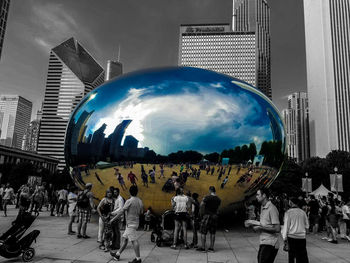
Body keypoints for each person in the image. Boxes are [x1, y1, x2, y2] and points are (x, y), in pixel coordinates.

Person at [110, 185, 144, 263]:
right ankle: (117, 255)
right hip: (135, 223)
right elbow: (141, 212)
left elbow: (121, 211)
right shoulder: (140, 201)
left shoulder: (129, 201)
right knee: (125, 239)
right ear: (137, 192)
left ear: (129, 192)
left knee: (134, 240)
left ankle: (138, 259)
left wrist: (112, 219)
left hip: (130, 224)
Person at [251, 188, 281, 263]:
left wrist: (260, 227)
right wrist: (254, 223)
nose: (256, 197)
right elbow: (266, 224)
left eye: (258, 194)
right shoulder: (262, 207)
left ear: (264, 195)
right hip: (264, 241)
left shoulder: (272, 208)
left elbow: (277, 229)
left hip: (270, 243)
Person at [281, 197, 309, 263]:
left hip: (292, 237)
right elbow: (307, 226)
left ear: (291, 203)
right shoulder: (303, 212)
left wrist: (284, 238)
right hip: (302, 237)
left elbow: (286, 227)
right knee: (301, 256)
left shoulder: (288, 212)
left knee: (291, 256)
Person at [196, 186, 221, 252]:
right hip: (214, 216)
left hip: (207, 216)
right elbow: (218, 209)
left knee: (203, 232)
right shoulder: (218, 199)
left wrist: (201, 214)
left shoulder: (207, 197)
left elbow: (201, 205)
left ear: (210, 190)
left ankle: (203, 247)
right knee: (213, 233)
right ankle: (211, 248)